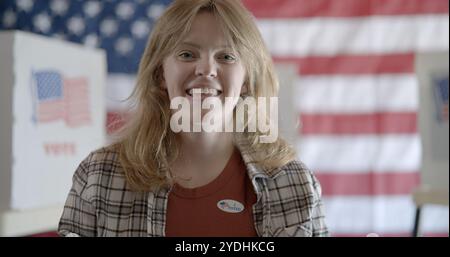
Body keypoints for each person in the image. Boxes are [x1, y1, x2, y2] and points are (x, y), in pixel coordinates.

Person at [58, 0, 328, 237]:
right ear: (160, 74)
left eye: (226, 56)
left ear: (247, 80)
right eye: (187, 54)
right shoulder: (97, 176)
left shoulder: (293, 182)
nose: (206, 69)